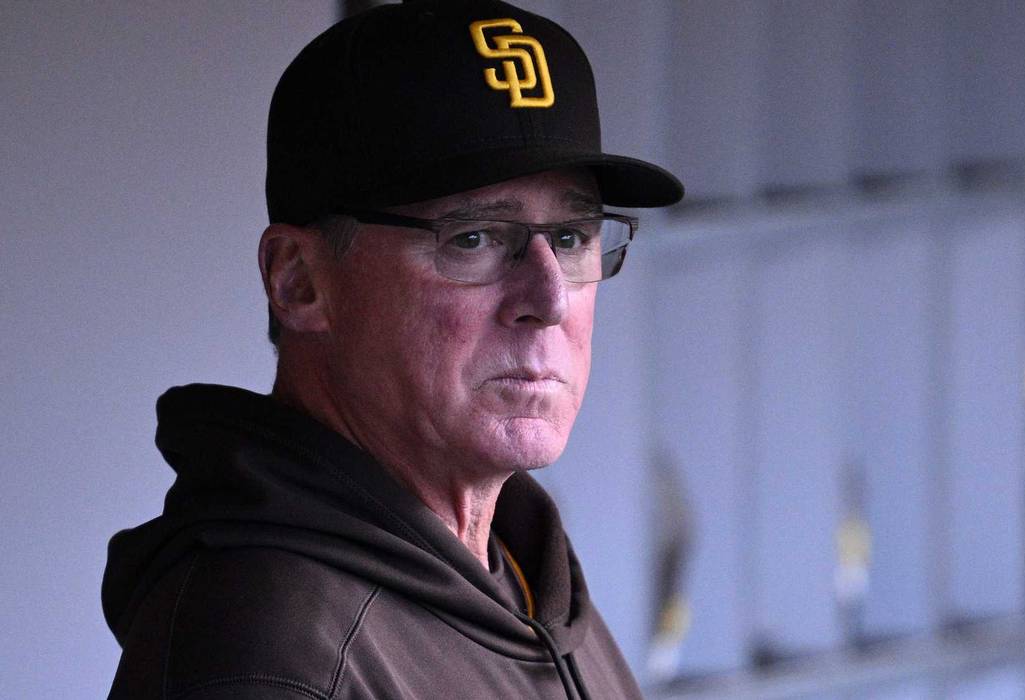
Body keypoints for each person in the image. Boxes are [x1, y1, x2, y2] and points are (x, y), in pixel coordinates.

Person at [101, 1, 682, 698]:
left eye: (570, 238)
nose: (549, 300)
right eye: (473, 238)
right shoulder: (271, 657)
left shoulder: (524, 574)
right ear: (299, 280)